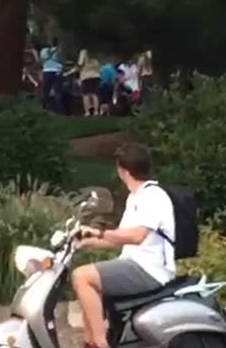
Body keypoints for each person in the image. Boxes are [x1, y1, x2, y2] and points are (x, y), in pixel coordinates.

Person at [72, 143, 176, 348]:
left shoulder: (153, 196)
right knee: (88, 286)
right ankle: (90, 341)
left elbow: (137, 237)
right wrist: (86, 242)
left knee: (82, 276)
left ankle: (100, 343)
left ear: (123, 171)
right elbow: (120, 237)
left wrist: (100, 232)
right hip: (134, 264)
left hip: (150, 270)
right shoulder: (135, 197)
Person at [66, 49, 101, 116]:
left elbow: (80, 64)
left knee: (86, 94)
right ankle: (96, 111)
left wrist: (69, 72)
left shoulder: (84, 51)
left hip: (86, 75)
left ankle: (87, 112)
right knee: (94, 94)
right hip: (96, 75)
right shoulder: (95, 51)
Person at [39, 37, 64, 113]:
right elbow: (62, 61)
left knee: (45, 90)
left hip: (46, 71)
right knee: (57, 90)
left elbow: (41, 61)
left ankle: (44, 107)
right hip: (57, 71)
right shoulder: (59, 51)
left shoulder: (43, 51)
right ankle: (58, 109)